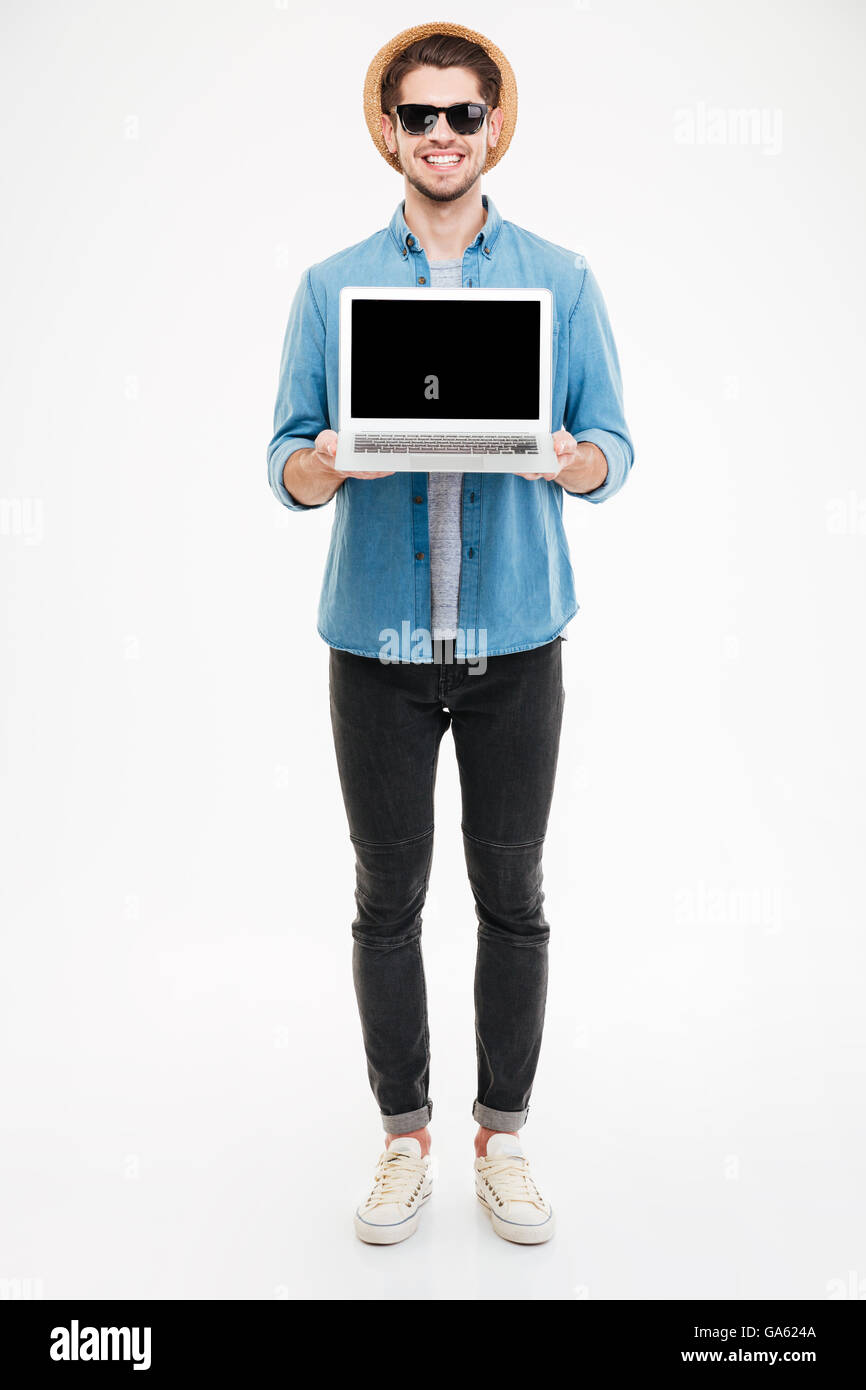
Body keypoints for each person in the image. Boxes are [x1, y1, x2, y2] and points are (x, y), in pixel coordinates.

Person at [267, 21, 634, 1246]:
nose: (437, 136)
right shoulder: (330, 288)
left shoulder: (559, 279)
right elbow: (284, 453)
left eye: (459, 116)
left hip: (515, 637)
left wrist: (570, 457)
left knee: (512, 894)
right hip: (373, 642)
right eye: (415, 116)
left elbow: (611, 447)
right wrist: (321, 469)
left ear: (494, 127)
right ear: (386, 128)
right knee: (385, 897)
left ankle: (504, 1136)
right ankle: (401, 1138)